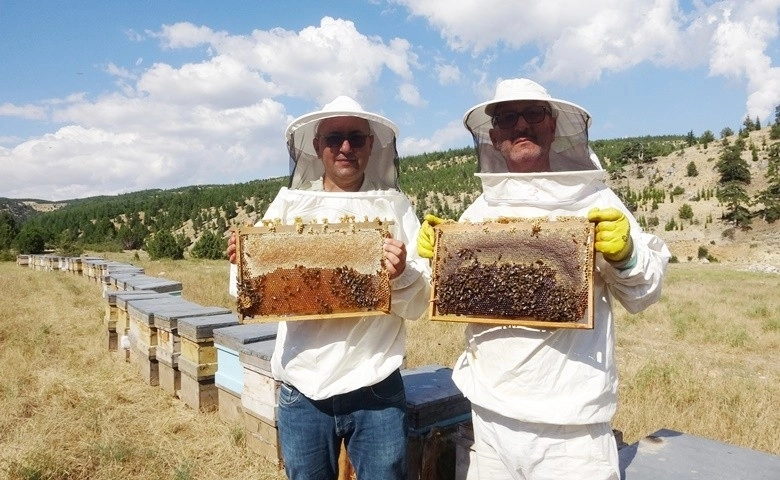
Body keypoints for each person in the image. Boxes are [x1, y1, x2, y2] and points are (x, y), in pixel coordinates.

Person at [417, 78, 671, 480]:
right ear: (494, 135)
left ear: (552, 125)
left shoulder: (596, 200)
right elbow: (441, 297)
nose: (522, 125)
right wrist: (434, 258)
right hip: (488, 418)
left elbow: (645, 293)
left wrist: (628, 256)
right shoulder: (479, 210)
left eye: (534, 113)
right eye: (507, 118)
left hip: (570, 434)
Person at [227, 95, 430, 480]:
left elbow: (420, 302)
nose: (346, 147)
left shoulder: (395, 207)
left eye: (356, 137)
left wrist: (402, 272)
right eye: (334, 138)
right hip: (302, 387)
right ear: (317, 147)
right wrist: (243, 262)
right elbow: (248, 294)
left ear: (372, 144)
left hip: (376, 386)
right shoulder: (290, 205)